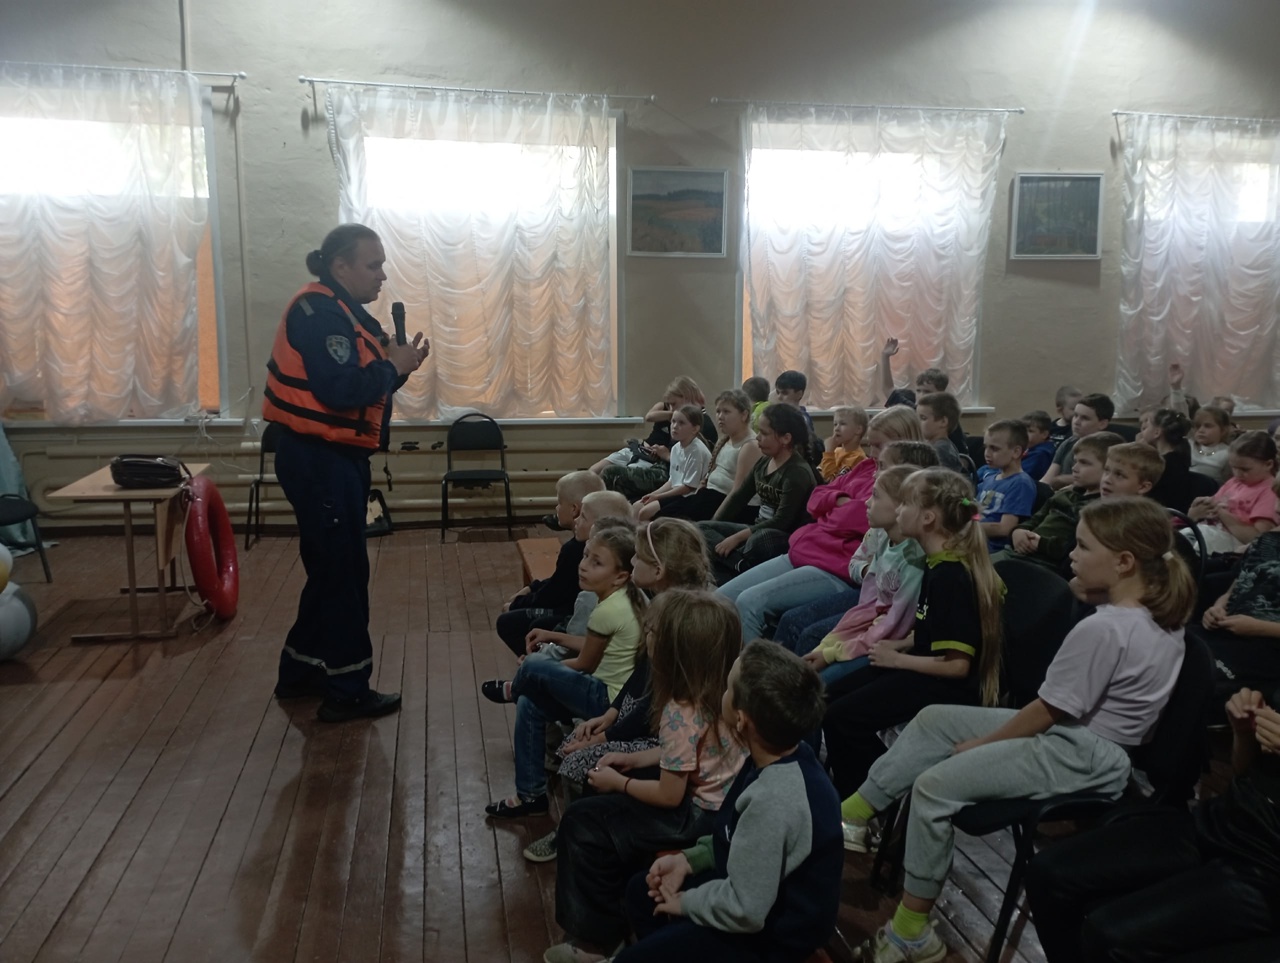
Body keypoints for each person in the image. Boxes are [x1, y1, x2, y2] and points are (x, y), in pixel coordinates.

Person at [841, 496, 1192, 963]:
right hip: (1082, 738)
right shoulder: (1152, 615)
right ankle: (855, 813)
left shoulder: (1105, 630)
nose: (1071, 554)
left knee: (933, 788)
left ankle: (911, 934)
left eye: (1084, 547)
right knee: (935, 718)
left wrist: (981, 746)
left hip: (1084, 753)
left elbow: (1047, 711)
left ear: (1124, 562)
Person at [266, 223, 430, 722]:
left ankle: (300, 671)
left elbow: (364, 387)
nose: (382, 275)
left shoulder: (345, 313)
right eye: (372, 265)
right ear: (340, 266)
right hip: (319, 460)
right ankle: (347, 691)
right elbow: (339, 390)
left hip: (333, 459)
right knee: (343, 574)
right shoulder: (320, 315)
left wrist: (399, 366)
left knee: (329, 570)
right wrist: (391, 367)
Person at [548, 590, 746, 963]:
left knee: (582, 822)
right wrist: (634, 758)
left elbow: (669, 796)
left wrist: (619, 783)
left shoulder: (680, 710)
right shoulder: (721, 691)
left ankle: (595, 944)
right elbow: (690, 753)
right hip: (723, 806)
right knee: (605, 808)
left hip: (696, 816)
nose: (646, 637)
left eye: (653, 632)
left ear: (676, 651)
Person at [613, 642, 842, 963]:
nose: (722, 690)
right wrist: (689, 860)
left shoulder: (774, 799)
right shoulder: (782, 753)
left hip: (773, 933)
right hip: (753, 892)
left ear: (741, 719)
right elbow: (738, 836)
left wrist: (686, 903)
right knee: (642, 892)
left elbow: (745, 910)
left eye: (729, 687)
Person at [1026, 685, 1280, 963]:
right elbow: (1246, 772)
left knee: (1109, 937)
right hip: (1218, 824)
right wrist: (1244, 733)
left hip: (1265, 871)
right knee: (1047, 874)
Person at [522, 517, 713, 863]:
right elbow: (643, 672)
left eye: (638, 557)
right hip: (648, 716)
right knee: (564, 730)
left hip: (669, 732)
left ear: (659, 570)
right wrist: (610, 716)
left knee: (580, 757)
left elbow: (659, 700)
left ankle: (578, 834)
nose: (633, 561)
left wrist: (607, 736)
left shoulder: (683, 618)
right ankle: (576, 827)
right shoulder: (661, 601)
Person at [822, 468, 1005, 800]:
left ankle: (872, 799)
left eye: (905, 503)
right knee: (829, 696)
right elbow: (930, 628)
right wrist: (901, 644)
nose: (899, 510)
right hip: (921, 664)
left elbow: (958, 666)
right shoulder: (935, 563)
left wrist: (896, 659)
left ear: (928, 518)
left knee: (842, 718)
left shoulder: (951, 575)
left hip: (945, 683)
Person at [716, 405, 926, 646]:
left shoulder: (902, 487)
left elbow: (852, 519)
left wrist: (830, 511)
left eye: (879, 446)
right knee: (721, 599)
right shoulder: (866, 468)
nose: (873, 453)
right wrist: (838, 502)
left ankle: (754, 670)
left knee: (749, 603)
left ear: (903, 443)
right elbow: (815, 497)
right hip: (805, 549)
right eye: (871, 445)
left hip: (833, 566)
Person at [484, 523, 645, 818]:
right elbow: (595, 645)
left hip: (607, 700)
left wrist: (544, 670)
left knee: (533, 665)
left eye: (596, 563)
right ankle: (531, 796)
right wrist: (554, 636)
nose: (583, 566)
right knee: (529, 703)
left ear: (621, 576)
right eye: (586, 556)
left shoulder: (608, 609)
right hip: (606, 691)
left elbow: (585, 663)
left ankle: (515, 687)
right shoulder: (623, 598)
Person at [800, 466, 926, 687]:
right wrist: (831, 643)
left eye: (875, 496)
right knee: (812, 659)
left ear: (901, 506)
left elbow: (894, 626)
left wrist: (833, 653)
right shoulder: (886, 539)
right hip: (873, 627)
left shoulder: (914, 560)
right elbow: (868, 603)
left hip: (894, 641)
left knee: (821, 684)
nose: (867, 502)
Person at [698, 404, 818, 582]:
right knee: (701, 528)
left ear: (785, 438)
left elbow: (782, 522)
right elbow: (738, 498)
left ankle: (730, 566)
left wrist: (736, 538)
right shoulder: (764, 462)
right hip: (755, 529)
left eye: (764, 433)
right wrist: (715, 526)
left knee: (759, 540)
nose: (758, 437)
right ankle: (739, 565)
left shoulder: (797, 472)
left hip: (780, 537)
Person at [497, 470, 604, 657]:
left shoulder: (575, 549)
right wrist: (532, 587)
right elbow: (559, 581)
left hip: (569, 611)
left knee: (508, 622)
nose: (556, 507)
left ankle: (536, 662)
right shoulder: (579, 545)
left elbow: (553, 594)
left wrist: (516, 604)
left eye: (559, 502)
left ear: (574, 509)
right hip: (568, 604)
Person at [1192, 490, 1280, 699]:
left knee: (1197, 677)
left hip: (1267, 645)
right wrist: (1218, 607)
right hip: (1227, 630)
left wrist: (1259, 627)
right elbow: (1240, 582)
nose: (1277, 509)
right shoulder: (1269, 539)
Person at [998, 432, 1123, 571]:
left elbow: (1071, 547)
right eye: (1075, 461)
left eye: (1084, 463)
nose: (1074, 468)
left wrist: (1040, 543)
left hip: (1044, 564)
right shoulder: (1064, 493)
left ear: (1107, 469)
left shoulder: (1098, 508)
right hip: (1017, 552)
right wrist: (1018, 531)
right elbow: (1035, 519)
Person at [593, 377, 717, 501]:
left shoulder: (700, 426)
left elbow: (686, 472)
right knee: (594, 473)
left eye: (674, 404)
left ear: (686, 398)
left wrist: (666, 456)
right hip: (660, 464)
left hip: (665, 472)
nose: (671, 410)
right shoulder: (678, 420)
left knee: (611, 473)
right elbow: (651, 417)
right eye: (673, 421)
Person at [650, 390, 759, 523]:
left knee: (667, 524)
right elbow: (710, 474)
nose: (720, 416)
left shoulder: (750, 446)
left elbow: (738, 493)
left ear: (744, 415)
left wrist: (714, 521)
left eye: (726, 411)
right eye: (718, 411)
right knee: (658, 517)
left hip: (730, 505)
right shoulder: (725, 439)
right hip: (710, 495)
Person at [1186, 431, 1279, 555]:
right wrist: (1201, 508)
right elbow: (1213, 506)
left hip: (1234, 546)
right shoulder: (1235, 482)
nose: (1237, 474)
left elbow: (1258, 539)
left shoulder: (1270, 491)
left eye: (1245, 469)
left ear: (1268, 464)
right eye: (1233, 467)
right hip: (1209, 531)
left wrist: (1221, 513)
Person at [635, 405, 713, 522]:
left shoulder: (696, 451)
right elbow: (673, 481)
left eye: (681, 423)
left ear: (695, 429)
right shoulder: (676, 448)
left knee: (645, 512)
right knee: (636, 507)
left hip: (690, 497)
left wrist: (658, 497)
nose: (675, 426)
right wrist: (651, 495)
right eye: (673, 421)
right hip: (677, 493)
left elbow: (688, 488)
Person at [975, 419, 1037, 553]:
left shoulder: (1020, 483)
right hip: (974, 541)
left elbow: (1005, 528)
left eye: (994, 448)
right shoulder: (989, 479)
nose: (987, 453)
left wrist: (966, 528)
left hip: (993, 549)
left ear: (1016, 452)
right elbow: (977, 514)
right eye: (986, 447)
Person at [1043, 393, 1114, 490]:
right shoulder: (1068, 443)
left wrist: (1064, 480)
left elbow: (1104, 478)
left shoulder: (1110, 449)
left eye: (1085, 418)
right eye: (1075, 415)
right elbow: (1047, 480)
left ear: (1102, 424)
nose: (1076, 422)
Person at [1139, 407, 1195, 513]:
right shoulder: (1179, 458)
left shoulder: (1163, 465)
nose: (1142, 430)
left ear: (1157, 433)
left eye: (1146, 426)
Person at [772, 370, 822, 466]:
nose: (779, 397)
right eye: (778, 392)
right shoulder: (778, 415)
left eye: (785, 393)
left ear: (799, 394)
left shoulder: (802, 418)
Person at [916, 392, 971, 475]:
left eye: (923, 418)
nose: (917, 422)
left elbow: (941, 481)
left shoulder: (941, 450)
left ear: (943, 422)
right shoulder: (934, 446)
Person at [820, 405, 869, 481]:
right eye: (835, 424)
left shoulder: (859, 458)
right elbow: (819, 473)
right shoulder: (836, 451)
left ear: (858, 429)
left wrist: (829, 453)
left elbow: (831, 481)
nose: (836, 429)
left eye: (843, 424)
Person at [1191, 404, 1234, 484]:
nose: (1201, 430)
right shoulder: (1188, 446)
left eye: (1207, 426)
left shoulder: (1227, 453)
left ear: (1223, 430)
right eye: (1197, 426)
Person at [1020, 410, 1057, 481]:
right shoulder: (1031, 448)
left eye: (1030, 431)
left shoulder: (1041, 454)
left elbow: (1022, 475)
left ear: (1044, 434)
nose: (1024, 434)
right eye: (1022, 430)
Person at [1048, 386, 1083, 451]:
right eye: (1073, 409)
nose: (1078, 412)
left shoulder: (1078, 429)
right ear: (1060, 410)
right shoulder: (1049, 428)